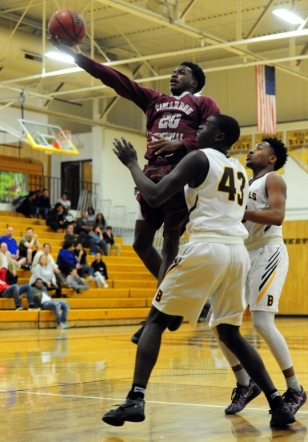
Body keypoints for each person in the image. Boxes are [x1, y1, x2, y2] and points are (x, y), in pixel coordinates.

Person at [101, 114, 295, 429]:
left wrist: (132, 164)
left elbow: (153, 195)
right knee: (230, 331)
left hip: (207, 247)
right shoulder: (238, 172)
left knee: (155, 321)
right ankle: (277, 402)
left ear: (218, 136)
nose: (198, 130)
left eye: (204, 127)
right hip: (237, 253)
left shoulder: (199, 158)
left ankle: (135, 399)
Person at [49, 36, 220, 342]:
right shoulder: (154, 99)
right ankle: (173, 301)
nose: (174, 74)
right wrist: (76, 56)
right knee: (141, 244)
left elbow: (215, 137)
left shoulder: (203, 103)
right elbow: (116, 79)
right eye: (174, 72)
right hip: (150, 175)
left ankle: (157, 312)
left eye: (182, 72)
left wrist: (180, 143)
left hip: (178, 176)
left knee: (169, 247)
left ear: (195, 81)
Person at [213, 137, 306, 416]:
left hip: (268, 250)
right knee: (219, 323)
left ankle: (295, 388)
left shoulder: (273, 180)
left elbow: (277, 215)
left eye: (260, 148)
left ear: (272, 158)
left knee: (263, 322)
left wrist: (242, 213)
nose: (252, 150)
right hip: (242, 253)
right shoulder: (242, 182)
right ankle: (245, 383)